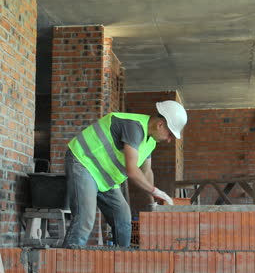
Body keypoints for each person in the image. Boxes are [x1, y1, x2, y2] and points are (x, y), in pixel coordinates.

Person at [62, 100, 187, 248]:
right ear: (160, 124)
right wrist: (155, 191)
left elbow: (146, 171)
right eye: (170, 134)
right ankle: (65, 264)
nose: (168, 140)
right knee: (85, 219)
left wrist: (152, 202)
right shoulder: (134, 127)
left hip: (104, 176)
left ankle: (122, 260)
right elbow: (132, 171)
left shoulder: (151, 141)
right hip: (84, 162)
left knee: (122, 217)